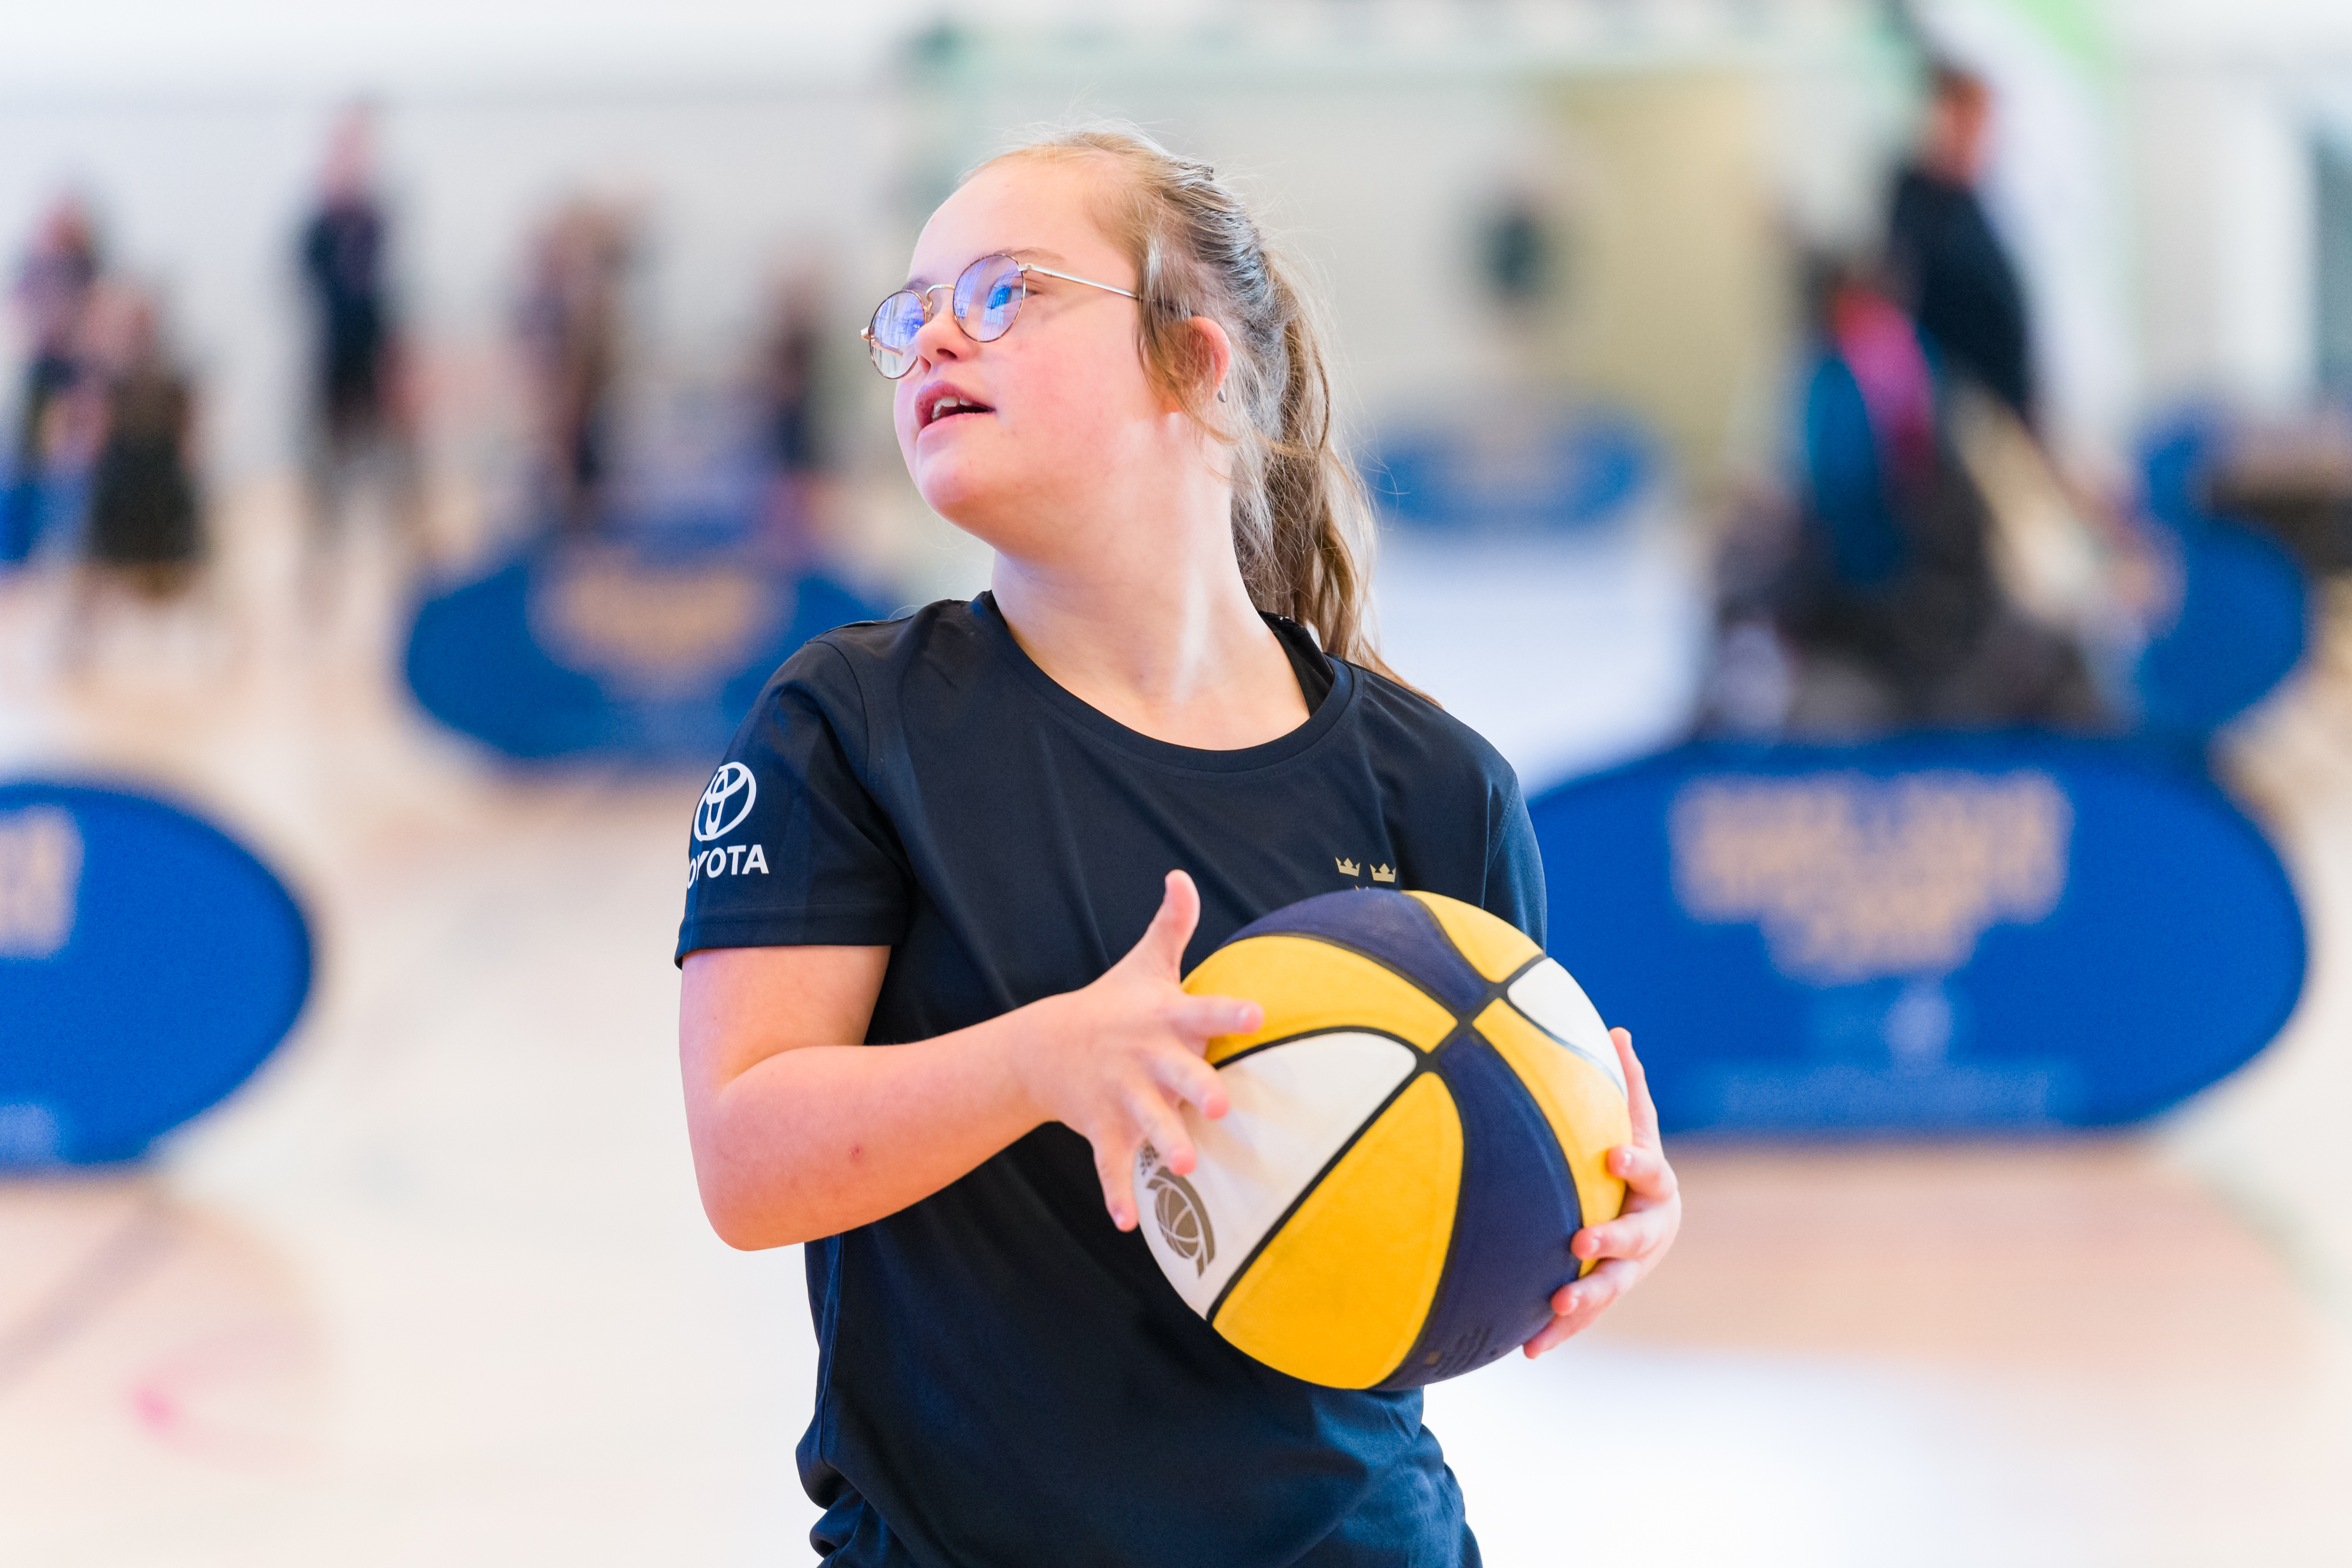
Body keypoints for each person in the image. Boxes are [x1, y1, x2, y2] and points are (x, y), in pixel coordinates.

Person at [674, 126, 1681, 1566]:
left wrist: (1590, 1216)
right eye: (911, 313)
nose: (933, 340)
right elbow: (745, 1163)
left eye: (1005, 293)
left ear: (1194, 362)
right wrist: (1044, 1062)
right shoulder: (850, 724)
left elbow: (1470, 1192)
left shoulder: (1436, 785)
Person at [298, 106, 419, 571]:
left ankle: (408, 558)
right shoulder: (316, 225)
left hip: (375, 356)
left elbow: (387, 291)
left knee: (398, 465)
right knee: (326, 473)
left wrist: (398, 361)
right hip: (332, 360)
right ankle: (323, 563)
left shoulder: (376, 217)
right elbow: (308, 290)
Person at [1886, 62, 2034, 427]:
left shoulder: (1973, 202)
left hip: (2000, 404)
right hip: (1957, 408)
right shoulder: (1919, 203)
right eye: (1968, 124)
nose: (1979, 139)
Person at [5, 198, 102, 563]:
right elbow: (19, 319)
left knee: (72, 474)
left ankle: (67, 556)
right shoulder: (30, 269)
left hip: (76, 376)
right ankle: (17, 559)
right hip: (38, 375)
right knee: (24, 470)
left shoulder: (87, 271)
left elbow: (92, 323)